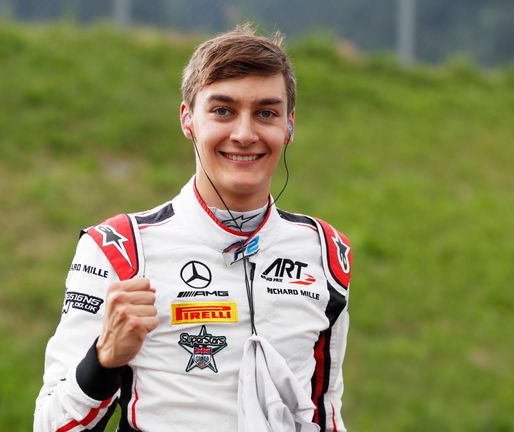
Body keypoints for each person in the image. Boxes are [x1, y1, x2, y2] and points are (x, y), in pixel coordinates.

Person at [34, 24, 352, 432]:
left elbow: (326, 415)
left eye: (266, 113)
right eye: (223, 111)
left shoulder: (325, 250)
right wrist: (103, 359)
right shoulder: (118, 248)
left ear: (289, 126)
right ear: (188, 120)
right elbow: (51, 424)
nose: (244, 134)